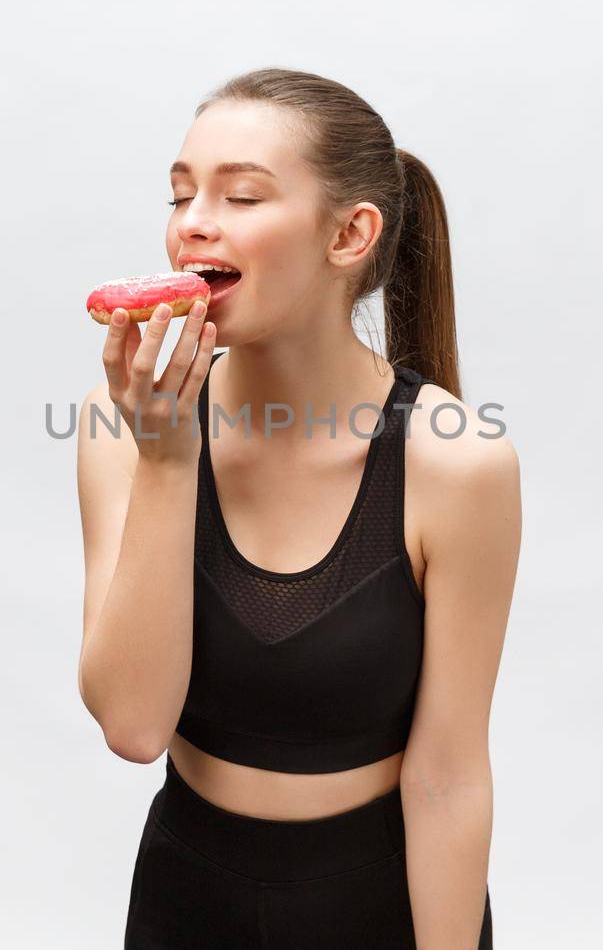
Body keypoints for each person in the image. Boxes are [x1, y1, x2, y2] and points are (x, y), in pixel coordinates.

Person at [76, 67, 520, 949]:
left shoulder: (456, 463)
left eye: (240, 195)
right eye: (181, 193)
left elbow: (448, 777)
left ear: (350, 234)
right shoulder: (120, 431)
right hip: (186, 901)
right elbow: (133, 725)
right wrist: (168, 461)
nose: (193, 221)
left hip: (380, 908)